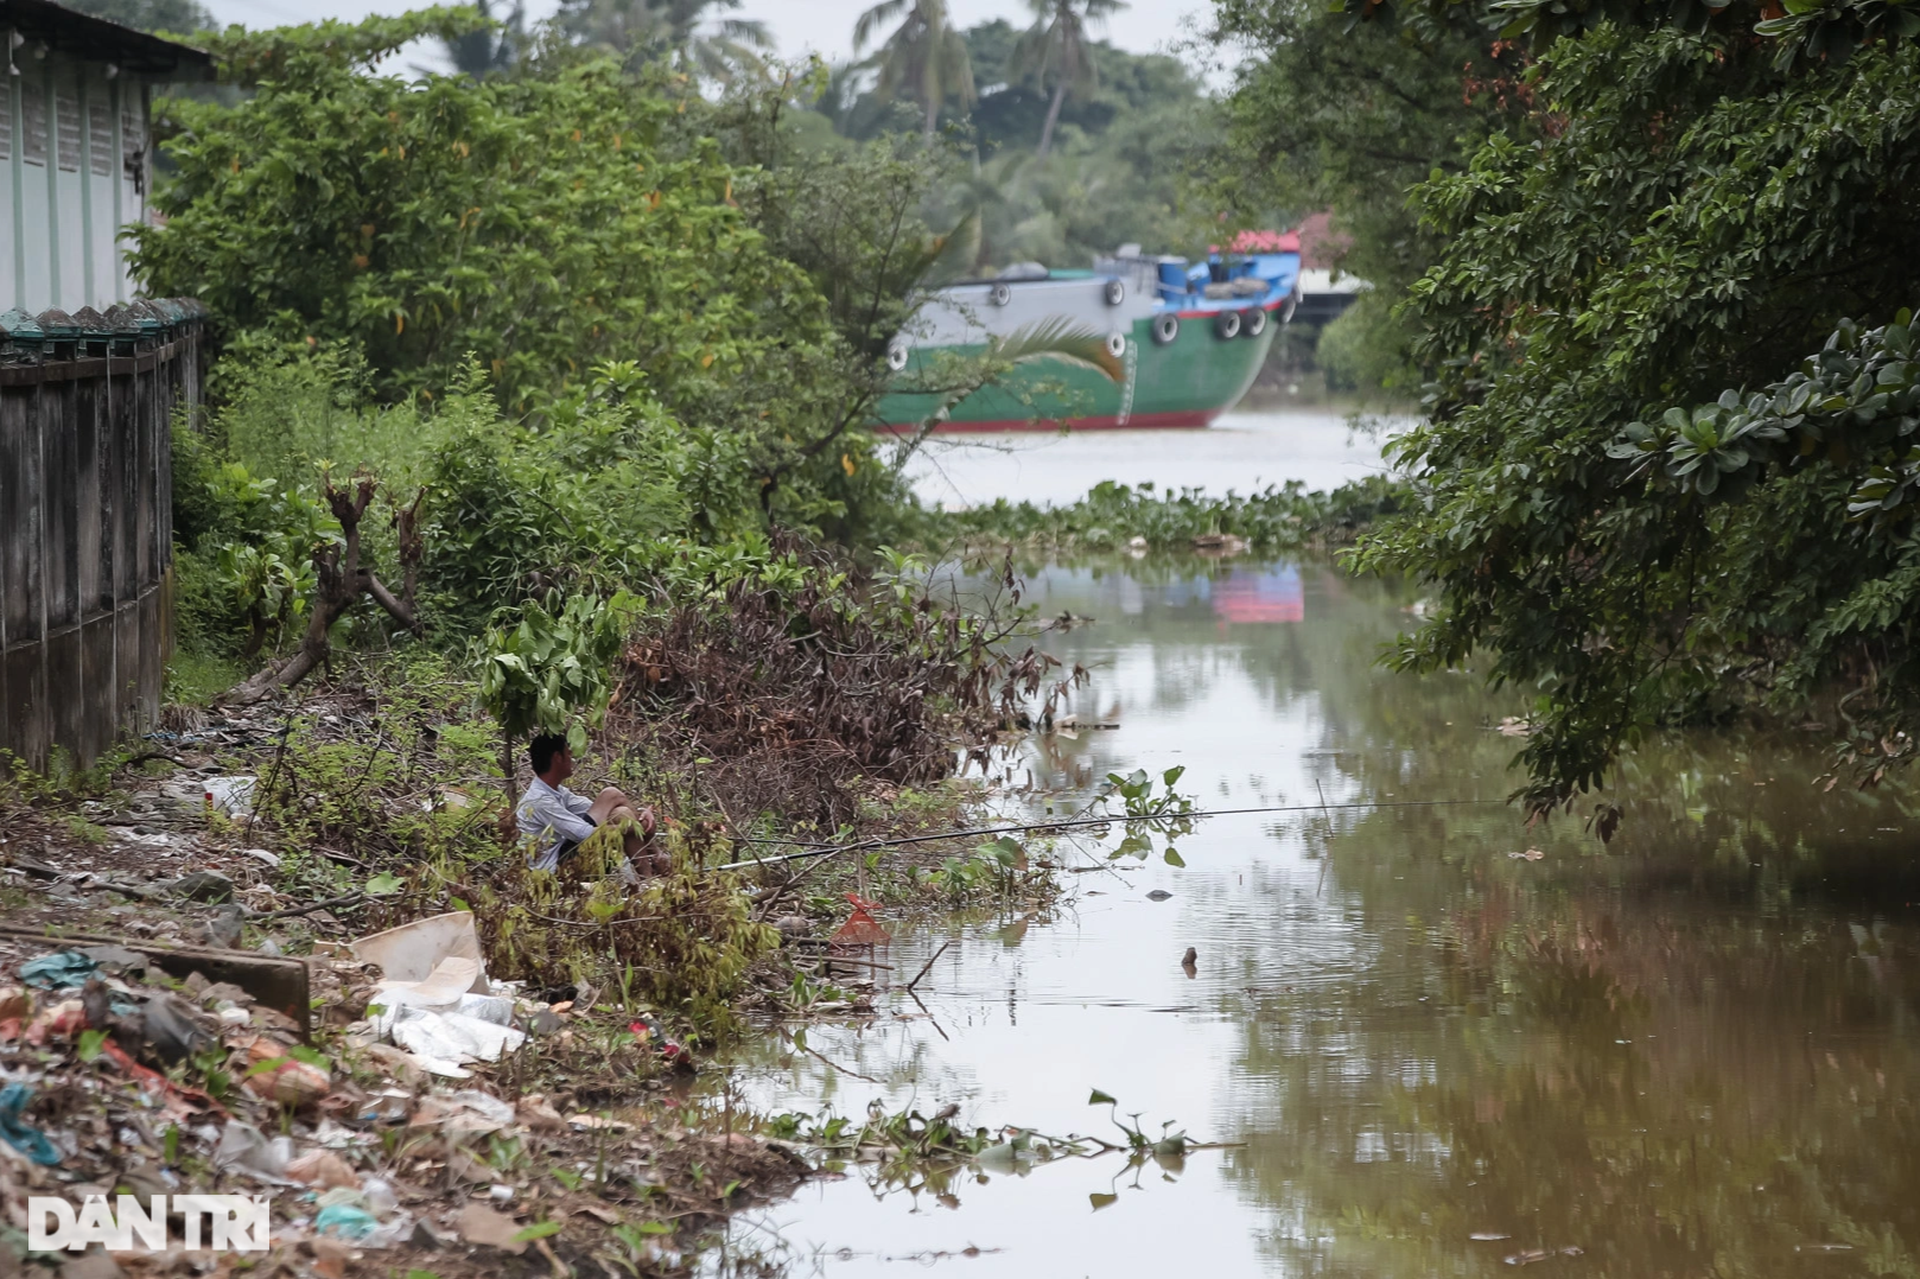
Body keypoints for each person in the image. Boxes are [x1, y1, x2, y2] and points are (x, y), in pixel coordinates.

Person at [516, 733, 664, 876]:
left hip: (569, 856)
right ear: (558, 757)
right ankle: (653, 865)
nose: (572, 759)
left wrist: (640, 816)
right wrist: (639, 827)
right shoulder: (539, 800)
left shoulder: (557, 792)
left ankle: (649, 874)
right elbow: (584, 834)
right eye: (568, 754)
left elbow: (603, 810)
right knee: (611, 795)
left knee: (621, 812)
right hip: (553, 872)